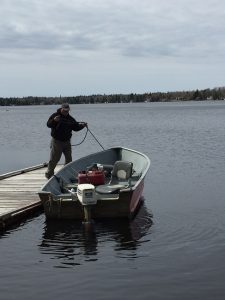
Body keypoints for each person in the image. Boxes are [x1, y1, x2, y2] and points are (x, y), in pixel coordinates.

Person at [45, 103, 87, 179]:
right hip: (57, 141)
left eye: (67, 111)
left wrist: (82, 126)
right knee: (54, 159)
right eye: (64, 110)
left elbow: (76, 128)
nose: (66, 112)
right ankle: (49, 174)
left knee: (69, 159)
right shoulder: (55, 115)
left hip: (67, 142)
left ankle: (66, 174)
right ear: (61, 109)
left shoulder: (70, 118)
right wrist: (54, 121)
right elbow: (48, 124)